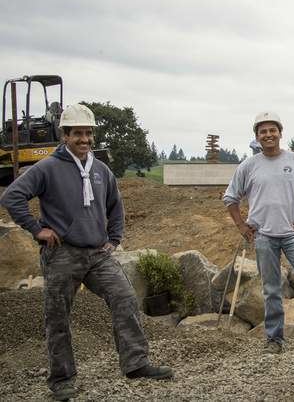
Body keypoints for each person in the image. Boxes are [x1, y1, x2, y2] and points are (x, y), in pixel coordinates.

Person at [0, 104, 172, 401]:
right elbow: (12, 196)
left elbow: (115, 205)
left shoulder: (100, 169)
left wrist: (114, 239)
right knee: (58, 316)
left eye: (89, 133)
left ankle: (135, 363)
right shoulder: (47, 168)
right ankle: (62, 379)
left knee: (125, 297)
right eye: (78, 133)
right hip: (62, 254)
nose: (85, 139)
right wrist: (36, 228)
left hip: (97, 254)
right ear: (64, 135)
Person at [223, 111, 294, 354]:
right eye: (263, 131)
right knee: (271, 289)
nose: (268, 135)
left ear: (280, 133)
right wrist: (241, 226)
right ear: (257, 136)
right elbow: (230, 198)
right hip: (264, 236)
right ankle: (274, 339)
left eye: (272, 130)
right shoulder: (248, 166)